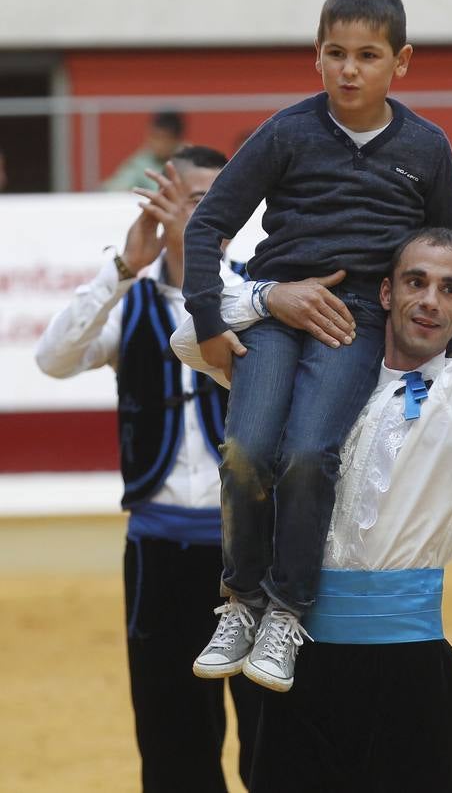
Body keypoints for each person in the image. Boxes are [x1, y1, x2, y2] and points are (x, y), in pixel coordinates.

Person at [171, 74, 452, 791]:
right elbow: (191, 338)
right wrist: (273, 294)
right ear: (386, 291)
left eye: (449, 288)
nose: (429, 300)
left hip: (410, 677)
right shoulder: (323, 373)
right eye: (416, 281)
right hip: (296, 667)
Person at [183, 0, 452, 693]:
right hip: (276, 314)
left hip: (357, 322)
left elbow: (446, 251)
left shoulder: (428, 147)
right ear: (316, 56)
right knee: (247, 452)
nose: (349, 70)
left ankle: (287, 608)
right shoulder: (287, 131)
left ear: (400, 61)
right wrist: (214, 324)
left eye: (367, 55)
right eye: (335, 53)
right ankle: (241, 599)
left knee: (309, 454)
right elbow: (206, 226)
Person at [35, 146, 262, 793]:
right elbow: (53, 360)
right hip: (159, 554)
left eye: (221, 202)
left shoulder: (255, 293)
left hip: (250, 552)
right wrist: (120, 268)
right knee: (172, 743)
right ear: (161, 208)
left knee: (272, 738)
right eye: (194, 200)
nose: (209, 214)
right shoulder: (128, 302)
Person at [103, 110, 186, 192]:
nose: (158, 144)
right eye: (154, 137)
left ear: (176, 139)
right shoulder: (142, 162)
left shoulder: (190, 160)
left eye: (164, 138)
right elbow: (117, 186)